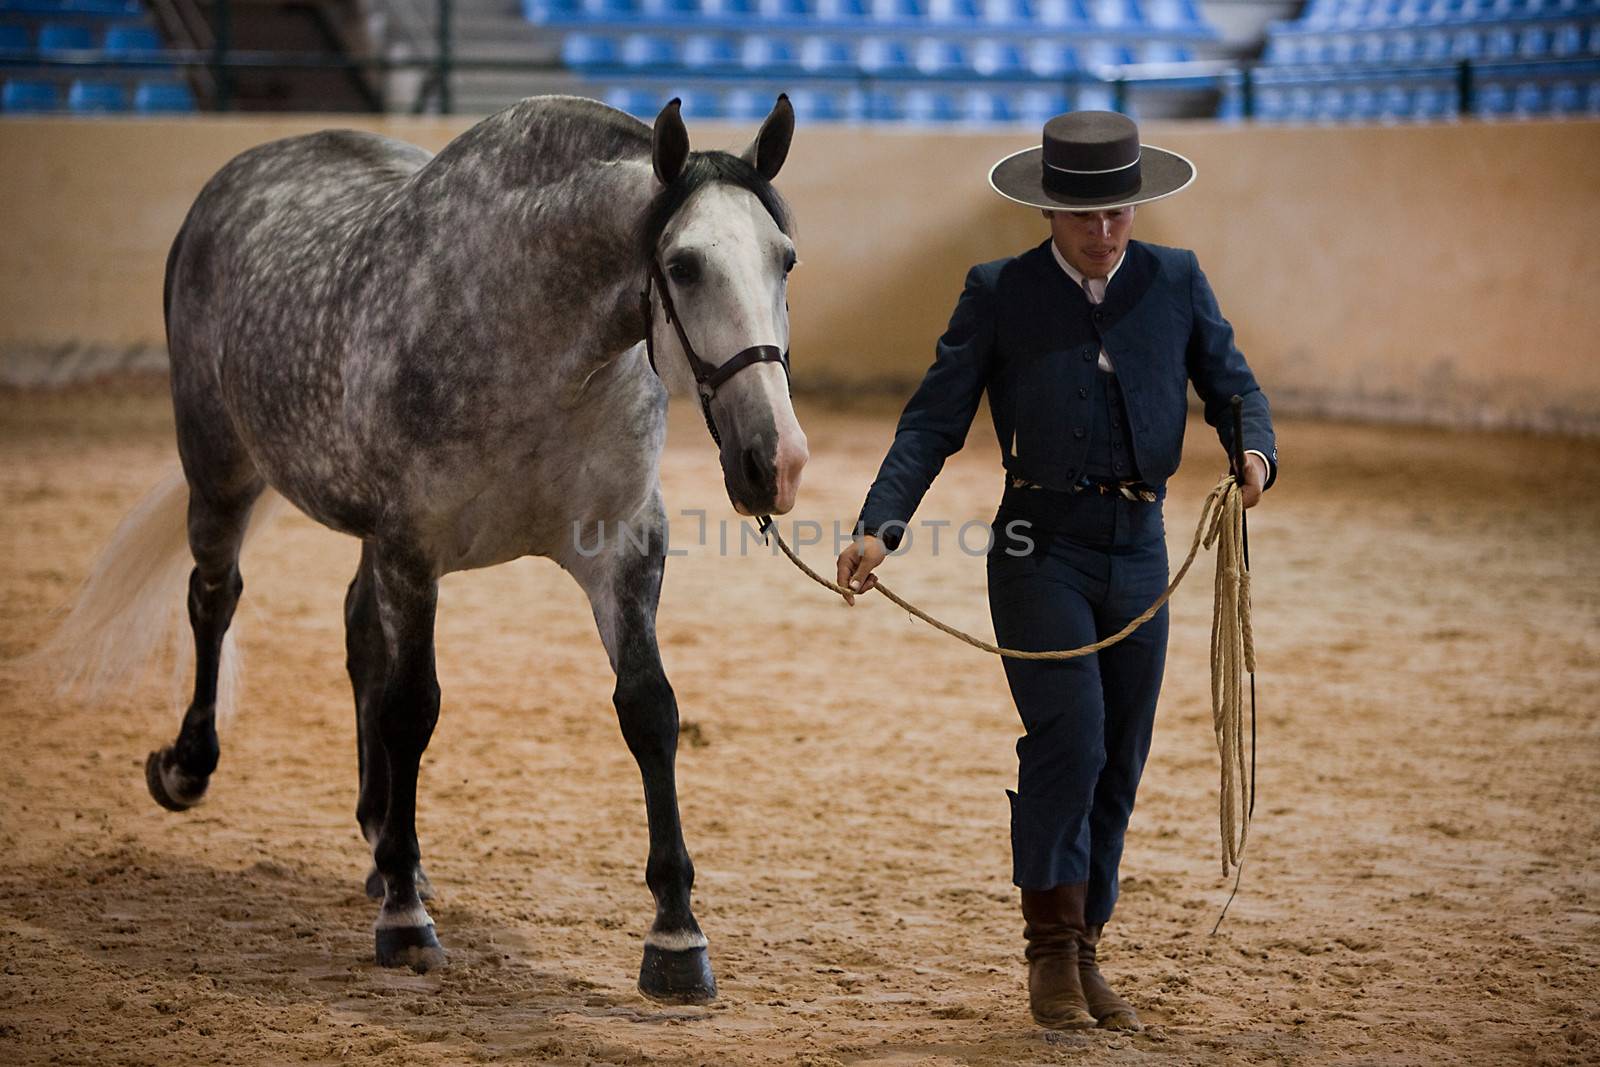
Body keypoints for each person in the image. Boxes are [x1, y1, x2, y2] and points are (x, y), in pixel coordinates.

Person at [834, 111, 1277, 1032]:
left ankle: (1084, 945)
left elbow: (1233, 388)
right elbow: (933, 420)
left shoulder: (1176, 280)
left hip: (1142, 546)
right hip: (1039, 546)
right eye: (1085, 217)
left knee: (1120, 753)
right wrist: (882, 525)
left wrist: (1254, 451)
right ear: (1049, 212)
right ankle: (1049, 951)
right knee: (1070, 734)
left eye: (1117, 213)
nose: (1104, 232)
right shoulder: (998, 291)